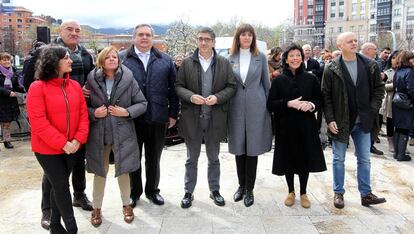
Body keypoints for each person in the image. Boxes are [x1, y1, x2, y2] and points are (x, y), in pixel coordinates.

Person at [26, 45, 89, 233]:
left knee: (57, 184)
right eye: (66, 58)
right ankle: (71, 227)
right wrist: (63, 143)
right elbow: (39, 122)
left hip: (72, 147)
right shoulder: (37, 88)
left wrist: (78, 140)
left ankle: (54, 225)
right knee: (61, 185)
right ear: (53, 62)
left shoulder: (75, 86)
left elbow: (83, 116)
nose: (70, 60)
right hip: (47, 149)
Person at [322, 32, 386, 209]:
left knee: (365, 159)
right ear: (339, 44)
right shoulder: (332, 67)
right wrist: (330, 119)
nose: (354, 43)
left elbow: (379, 90)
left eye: (356, 40)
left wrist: (372, 110)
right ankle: (338, 193)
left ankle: (366, 194)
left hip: (363, 121)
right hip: (341, 121)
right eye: (349, 41)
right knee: (338, 158)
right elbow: (326, 96)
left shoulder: (370, 65)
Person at [85, 47, 147, 226]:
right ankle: (96, 208)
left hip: (123, 133)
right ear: (101, 60)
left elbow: (142, 103)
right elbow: (83, 105)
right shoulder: (91, 79)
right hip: (99, 134)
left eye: (115, 56)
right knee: (99, 171)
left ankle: (126, 205)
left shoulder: (128, 78)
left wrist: (126, 112)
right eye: (108, 57)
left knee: (124, 171)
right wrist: (94, 113)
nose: (112, 59)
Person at [175, 27, 236, 208]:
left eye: (207, 39)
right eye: (200, 39)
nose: (203, 42)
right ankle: (188, 192)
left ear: (213, 42)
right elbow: (178, 86)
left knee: (214, 158)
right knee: (191, 158)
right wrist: (191, 96)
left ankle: (214, 190)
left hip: (215, 118)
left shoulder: (224, 63)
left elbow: (231, 87)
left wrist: (218, 97)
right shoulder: (187, 63)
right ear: (197, 41)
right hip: (192, 118)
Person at [119, 24, 179, 207]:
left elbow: (174, 90)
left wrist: (173, 113)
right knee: (133, 157)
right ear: (134, 37)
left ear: (152, 38)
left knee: (154, 158)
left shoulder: (165, 60)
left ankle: (152, 191)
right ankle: (134, 192)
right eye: (140, 34)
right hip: (131, 118)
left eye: (147, 35)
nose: (144, 38)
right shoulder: (122, 59)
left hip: (158, 116)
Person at [267, 44, 326, 209]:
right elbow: (271, 104)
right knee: (288, 158)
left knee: (304, 159)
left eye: (298, 55)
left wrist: (311, 105)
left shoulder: (310, 78)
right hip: (285, 125)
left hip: (306, 125)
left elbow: (320, 100)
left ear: (302, 58)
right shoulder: (279, 79)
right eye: (291, 56)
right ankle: (291, 191)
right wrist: (288, 103)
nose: (295, 58)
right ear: (286, 59)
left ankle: (304, 192)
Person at [227, 24, 272, 207]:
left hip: (257, 107)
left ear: (253, 38)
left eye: (249, 35)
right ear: (237, 38)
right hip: (236, 107)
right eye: (243, 35)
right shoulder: (229, 58)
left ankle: (250, 189)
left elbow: (266, 84)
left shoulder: (260, 57)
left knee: (252, 148)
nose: (246, 38)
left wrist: (269, 109)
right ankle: (241, 185)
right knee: (239, 147)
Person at [361, 42, 385, 156]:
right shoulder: (357, 62)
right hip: (360, 105)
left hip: (371, 103)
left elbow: (378, 87)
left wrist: (375, 105)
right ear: (368, 50)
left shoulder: (374, 64)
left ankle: (369, 146)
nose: (376, 51)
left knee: (372, 126)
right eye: (374, 49)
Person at [392, 51, 414, 161]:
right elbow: (411, 89)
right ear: (408, 60)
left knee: (399, 128)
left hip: (397, 101)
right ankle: (401, 154)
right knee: (404, 128)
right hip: (407, 103)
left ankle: (397, 153)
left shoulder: (398, 71)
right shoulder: (409, 71)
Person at [0, 52, 25, 149]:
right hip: (1, 100)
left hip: (9, 102)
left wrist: (23, 88)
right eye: (4, 59)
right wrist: (7, 92)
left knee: (7, 123)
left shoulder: (13, 71)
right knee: (4, 122)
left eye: (8, 59)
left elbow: (16, 86)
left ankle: (7, 141)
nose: (7, 61)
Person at [379, 50, 400, 153]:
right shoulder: (387, 72)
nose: (395, 60)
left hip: (403, 102)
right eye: (394, 58)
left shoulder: (406, 71)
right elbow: (382, 86)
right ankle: (390, 142)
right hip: (390, 101)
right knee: (390, 122)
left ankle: (399, 143)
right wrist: (395, 85)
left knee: (400, 123)